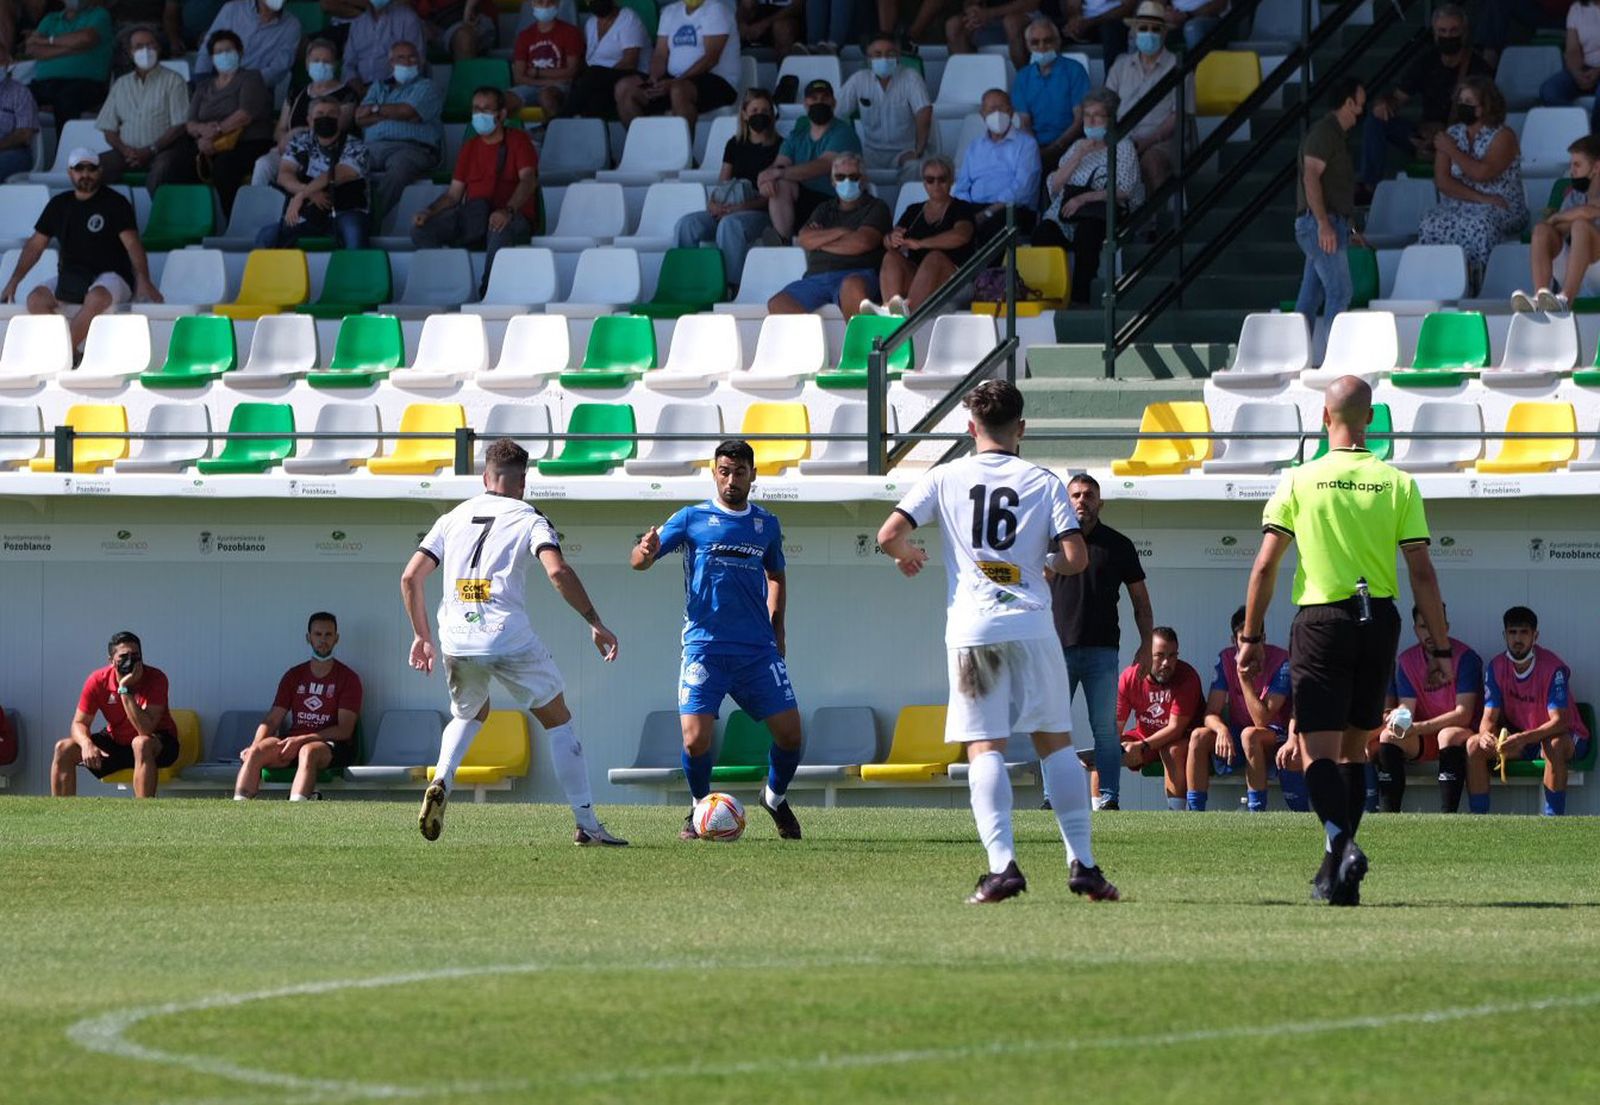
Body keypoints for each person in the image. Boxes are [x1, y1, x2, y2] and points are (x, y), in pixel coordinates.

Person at [876, 379, 1118, 905]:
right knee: (1055, 740)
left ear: (970, 428)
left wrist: (908, 555)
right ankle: (1084, 866)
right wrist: (1045, 565)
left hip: (973, 629)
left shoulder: (945, 476)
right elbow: (1076, 559)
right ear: (1021, 429)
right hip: (1032, 624)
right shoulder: (1045, 481)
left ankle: (1002, 867)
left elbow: (888, 534)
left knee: (985, 746)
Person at [1241, 375, 1451, 906]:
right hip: (1379, 620)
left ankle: (1343, 843)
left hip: (1322, 620)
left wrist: (1251, 634)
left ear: (1323, 418)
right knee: (1357, 750)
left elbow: (1265, 566)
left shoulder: (1298, 480)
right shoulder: (1397, 483)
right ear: (1372, 419)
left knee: (1317, 755)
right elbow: (1423, 574)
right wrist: (1441, 649)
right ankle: (1335, 875)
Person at [401, 438, 627, 847]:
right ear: (522, 482)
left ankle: (443, 780)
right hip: (507, 636)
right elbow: (557, 573)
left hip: (456, 635)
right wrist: (595, 622)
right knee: (558, 720)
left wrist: (422, 636)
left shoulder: (453, 516)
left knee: (470, 713)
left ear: (485, 477)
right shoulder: (530, 516)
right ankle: (587, 824)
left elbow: (410, 577)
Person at [629, 439, 806, 842]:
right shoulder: (692, 518)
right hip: (705, 647)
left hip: (757, 651)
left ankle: (775, 799)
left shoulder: (766, 524)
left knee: (792, 736)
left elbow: (776, 575)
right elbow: (639, 562)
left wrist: (778, 628)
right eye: (724, 472)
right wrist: (644, 549)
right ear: (714, 472)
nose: (730, 480)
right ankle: (698, 810)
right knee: (695, 741)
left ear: (753, 475)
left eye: (739, 472)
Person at [1042, 472, 1153, 813]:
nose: (1081, 501)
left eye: (1088, 495)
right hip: (1056, 651)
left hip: (1103, 652)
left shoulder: (1118, 545)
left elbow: (1141, 602)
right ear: (1065, 500)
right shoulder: (1048, 542)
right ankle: (1052, 797)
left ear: (1100, 503)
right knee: (1053, 728)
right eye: (1075, 495)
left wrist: (1147, 644)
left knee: (1105, 730)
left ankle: (1108, 798)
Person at [0, 148, 161, 355]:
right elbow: (35, 245)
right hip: (72, 277)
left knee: (96, 297)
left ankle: (58, 357)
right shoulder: (59, 205)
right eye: (79, 169)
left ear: (100, 171)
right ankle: (72, 354)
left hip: (112, 276)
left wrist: (143, 280)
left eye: (91, 168)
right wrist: (14, 281)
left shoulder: (115, 202)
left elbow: (133, 245)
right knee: (35, 300)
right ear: (70, 172)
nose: (85, 174)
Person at [1459, 606, 1589, 817]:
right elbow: (1489, 717)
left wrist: (1522, 738)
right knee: (1473, 745)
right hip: (1524, 739)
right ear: (1505, 635)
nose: (1517, 639)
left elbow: (1561, 722)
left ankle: (1553, 823)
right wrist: (1484, 736)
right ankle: (1478, 820)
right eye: (1512, 633)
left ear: (1535, 636)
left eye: (1524, 633)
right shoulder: (1496, 666)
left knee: (1553, 745)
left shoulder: (1553, 668)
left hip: (1566, 737)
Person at [412, 87, 537, 295]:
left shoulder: (518, 140)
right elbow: (453, 195)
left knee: (499, 226)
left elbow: (528, 180)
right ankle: (445, 285)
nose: (479, 114)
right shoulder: (469, 147)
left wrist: (508, 211)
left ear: (502, 115)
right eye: (476, 109)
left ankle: (489, 291)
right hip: (475, 217)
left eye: (486, 109)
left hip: (512, 217)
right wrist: (429, 211)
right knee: (421, 229)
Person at [1359, 4, 1491, 198]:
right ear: (1435, 34)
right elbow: (1397, 98)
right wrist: (1384, 104)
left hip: (1462, 140)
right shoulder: (1426, 61)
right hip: (1424, 135)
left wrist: (1445, 138)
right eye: (1442, 31)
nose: (1448, 36)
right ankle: (1369, 189)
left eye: (1454, 30)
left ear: (1464, 33)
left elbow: (1484, 119)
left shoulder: (1479, 68)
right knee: (1376, 120)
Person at [233, 612, 363, 802]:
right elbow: (272, 720)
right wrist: (254, 746)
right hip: (291, 743)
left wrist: (301, 740)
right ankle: (239, 809)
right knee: (255, 753)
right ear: (308, 638)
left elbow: (344, 730)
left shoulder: (348, 678)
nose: (322, 640)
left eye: (328, 635)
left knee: (308, 751)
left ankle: (297, 809)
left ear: (336, 638)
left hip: (328, 746)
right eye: (318, 634)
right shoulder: (294, 676)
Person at [1035, 86, 1142, 306]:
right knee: (1042, 234)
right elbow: (1054, 186)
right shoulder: (1077, 146)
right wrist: (1079, 155)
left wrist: (1083, 199)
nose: (1091, 122)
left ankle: (1080, 299)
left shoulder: (1123, 147)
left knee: (1088, 233)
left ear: (1110, 119)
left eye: (1097, 116)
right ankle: (1048, 296)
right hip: (1064, 212)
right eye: (1087, 116)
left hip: (1099, 211)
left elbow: (1124, 189)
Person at [1187, 607, 1301, 813]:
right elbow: (1211, 712)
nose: (1250, 647)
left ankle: (1255, 811)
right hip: (1238, 734)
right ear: (1234, 640)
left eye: (1255, 640)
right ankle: (1194, 813)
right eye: (1244, 640)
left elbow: (1262, 720)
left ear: (1263, 638)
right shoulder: (1225, 659)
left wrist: (1243, 678)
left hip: (1276, 736)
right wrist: (1221, 730)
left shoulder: (1282, 662)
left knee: (1251, 734)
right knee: (1198, 736)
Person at [1417, 76, 1525, 278]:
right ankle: (1439, 280)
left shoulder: (1503, 136)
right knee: (1429, 221)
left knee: (1479, 223)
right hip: (1464, 205)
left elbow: (1482, 173)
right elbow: (1443, 181)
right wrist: (1481, 198)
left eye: (1469, 103)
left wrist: (1452, 150)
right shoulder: (1453, 133)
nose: (1462, 106)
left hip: (1503, 206)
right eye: (1460, 102)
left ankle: (1480, 282)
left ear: (1485, 106)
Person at [1377, 603, 1481, 813]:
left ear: (1446, 627)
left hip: (1461, 735)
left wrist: (1418, 727)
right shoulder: (1407, 660)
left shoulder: (1465, 657)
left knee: (1448, 735)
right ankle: (1388, 817)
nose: (1430, 632)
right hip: (1425, 736)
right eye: (1424, 626)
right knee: (1388, 736)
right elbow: (1407, 709)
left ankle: (1447, 816)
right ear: (1415, 629)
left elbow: (1464, 715)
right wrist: (1399, 717)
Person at [51, 631, 180, 799]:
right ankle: (61, 815)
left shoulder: (156, 678)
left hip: (157, 744)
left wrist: (124, 689)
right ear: (111, 661)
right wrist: (86, 744)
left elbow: (145, 729)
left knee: (141, 743)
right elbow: (79, 723)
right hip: (118, 742)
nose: (130, 661)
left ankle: (145, 813)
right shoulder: (98, 680)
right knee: (63, 748)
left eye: (136, 655)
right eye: (124, 656)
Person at [674, 87, 779, 288]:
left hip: (759, 211)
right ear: (745, 114)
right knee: (687, 224)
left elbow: (772, 196)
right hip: (728, 206)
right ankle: (682, 280)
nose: (760, 115)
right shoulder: (734, 144)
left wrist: (739, 209)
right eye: (755, 111)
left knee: (730, 225)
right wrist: (713, 204)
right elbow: (723, 183)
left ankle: (729, 286)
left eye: (765, 111)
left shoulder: (780, 146)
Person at [767, 152, 890, 318]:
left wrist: (820, 241)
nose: (846, 181)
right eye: (840, 177)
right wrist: (842, 231)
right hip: (816, 278)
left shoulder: (876, 207)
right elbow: (804, 239)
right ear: (833, 181)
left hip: (857, 273)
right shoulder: (824, 209)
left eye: (853, 176)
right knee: (778, 303)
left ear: (863, 179)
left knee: (851, 287)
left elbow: (862, 242)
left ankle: (859, 343)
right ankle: (815, 342)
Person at [165, 29, 275, 215]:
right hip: (207, 143)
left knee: (225, 167)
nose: (224, 56)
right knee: (177, 165)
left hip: (247, 143)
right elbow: (190, 122)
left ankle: (233, 221)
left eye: (229, 50)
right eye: (218, 52)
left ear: (240, 52)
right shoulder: (204, 86)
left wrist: (215, 131)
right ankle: (190, 220)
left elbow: (245, 115)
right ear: (212, 57)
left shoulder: (251, 78)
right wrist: (202, 135)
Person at [1294, 76, 1362, 351]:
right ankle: (1335, 358)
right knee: (1340, 291)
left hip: (1326, 223)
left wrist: (1349, 229)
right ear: (1348, 103)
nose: (1362, 110)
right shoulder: (1326, 133)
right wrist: (1323, 223)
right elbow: (1311, 176)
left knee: (1310, 299)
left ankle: (1294, 353)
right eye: (1360, 103)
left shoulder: (1332, 134)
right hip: (1320, 223)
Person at [256, 96, 371, 248]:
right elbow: (284, 175)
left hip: (347, 211)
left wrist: (301, 195)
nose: (325, 117)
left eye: (331, 114)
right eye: (320, 114)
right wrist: (309, 192)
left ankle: (356, 272)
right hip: (309, 211)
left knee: (354, 232)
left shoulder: (356, 145)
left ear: (340, 119)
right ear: (309, 120)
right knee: (267, 236)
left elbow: (337, 174)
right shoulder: (300, 142)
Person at [757, 78, 861, 242]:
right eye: (814, 98)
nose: (819, 102)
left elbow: (825, 165)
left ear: (833, 102)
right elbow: (780, 163)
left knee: (781, 178)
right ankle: (783, 242)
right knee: (780, 184)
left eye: (824, 98)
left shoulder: (843, 132)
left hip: (836, 202)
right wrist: (766, 179)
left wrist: (777, 173)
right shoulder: (797, 136)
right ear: (805, 104)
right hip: (801, 203)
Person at [869, 154, 973, 316]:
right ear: (924, 182)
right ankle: (890, 312)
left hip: (956, 280)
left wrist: (922, 243)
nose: (936, 184)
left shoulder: (961, 208)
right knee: (891, 257)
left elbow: (961, 235)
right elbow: (889, 241)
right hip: (919, 277)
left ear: (951, 180)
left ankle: (908, 315)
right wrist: (891, 239)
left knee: (934, 258)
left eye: (942, 179)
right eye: (930, 180)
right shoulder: (913, 211)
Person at [615, 0, 741, 133]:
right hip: (675, 80)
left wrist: (676, 82)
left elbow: (711, 59)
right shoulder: (670, 12)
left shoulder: (716, 10)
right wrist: (654, 79)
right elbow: (660, 55)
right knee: (625, 88)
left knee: (678, 90)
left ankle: (684, 152)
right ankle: (647, 147)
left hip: (718, 81)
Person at [251, 37, 360, 188]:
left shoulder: (347, 95)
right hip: (289, 150)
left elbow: (337, 127)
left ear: (335, 65)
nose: (321, 65)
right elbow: (279, 130)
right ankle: (258, 208)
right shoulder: (296, 93)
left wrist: (297, 133)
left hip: (324, 153)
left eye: (326, 61)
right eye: (316, 60)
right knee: (263, 164)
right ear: (307, 64)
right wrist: (286, 139)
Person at [1114, 627, 1202, 811]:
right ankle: (1102, 813)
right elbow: (1117, 726)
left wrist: (1142, 746)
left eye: (1172, 656)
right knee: (1103, 753)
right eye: (1159, 655)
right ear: (1146, 654)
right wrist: (1106, 749)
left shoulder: (1187, 676)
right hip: (1144, 738)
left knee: (1171, 750)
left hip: (1180, 739)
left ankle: (1176, 814)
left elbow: (1175, 729)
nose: (1166, 662)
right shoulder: (1130, 677)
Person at [1104, 1, 1187, 194]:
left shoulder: (1179, 66)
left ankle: (1156, 223)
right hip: (1123, 140)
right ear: (1134, 32)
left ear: (1165, 33)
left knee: (1152, 161)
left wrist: (1147, 142)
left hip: (1164, 141)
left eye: (1155, 29)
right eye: (1143, 28)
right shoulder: (1120, 65)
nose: (1149, 33)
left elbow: (1178, 116)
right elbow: (1106, 107)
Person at [355, 39, 443, 220]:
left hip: (411, 148)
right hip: (373, 147)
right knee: (347, 165)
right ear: (391, 63)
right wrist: (397, 113)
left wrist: (376, 109)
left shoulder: (427, 86)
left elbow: (407, 111)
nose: (408, 62)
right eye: (401, 58)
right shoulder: (378, 87)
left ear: (419, 61)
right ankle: (345, 217)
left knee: (399, 170)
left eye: (412, 57)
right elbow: (359, 118)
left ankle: (372, 221)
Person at [95, 27, 189, 190]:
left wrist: (151, 150)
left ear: (158, 49)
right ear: (130, 52)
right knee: (93, 167)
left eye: (150, 45)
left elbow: (179, 125)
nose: (145, 51)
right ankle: (111, 212)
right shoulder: (121, 84)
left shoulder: (174, 80)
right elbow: (108, 128)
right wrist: (125, 150)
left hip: (163, 151)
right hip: (125, 153)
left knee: (163, 168)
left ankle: (158, 213)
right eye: (139, 46)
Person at [1516, 136, 1600, 312]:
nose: (1572, 171)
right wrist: (1562, 220)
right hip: (1576, 266)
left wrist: (1559, 217)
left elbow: (1589, 212)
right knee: (1541, 231)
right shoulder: (1575, 196)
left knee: (1580, 226)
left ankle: (1565, 300)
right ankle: (1540, 298)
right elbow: (1558, 229)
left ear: (1596, 167)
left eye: (1577, 165)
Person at [837, 34, 932, 178]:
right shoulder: (859, 79)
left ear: (898, 56)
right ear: (868, 58)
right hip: (870, 152)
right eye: (877, 54)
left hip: (904, 151)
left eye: (890, 54)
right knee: (847, 171)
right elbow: (837, 111)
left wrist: (918, 150)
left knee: (914, 166)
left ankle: (906, 201)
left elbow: (924, 111)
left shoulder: (911, 77)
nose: (884, 58)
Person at [953, 86, 1041, 243]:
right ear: (982, 114)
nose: (997, 114)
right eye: (991, 110)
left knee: (990, 229)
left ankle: (989, 268)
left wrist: (987, 213)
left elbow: (1022, 189)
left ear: (1012, 112)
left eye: (1002, 109)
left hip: (1011, 210)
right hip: (975, 207)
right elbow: (962, 186)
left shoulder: (1027, 144)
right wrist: (965, 211)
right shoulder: (975, 146)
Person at [1011, 18, 1088, 170]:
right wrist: (1036, 152)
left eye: (1048, 41)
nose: (1042, 47)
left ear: (1058, 42)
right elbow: (1025, 124)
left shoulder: (1074, 70)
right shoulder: (1022, 77)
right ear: (1027, 46)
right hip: (1036, 147)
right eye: (1035, 42)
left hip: (1070, 145)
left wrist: (1054, 148)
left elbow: (1080, 120)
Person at [22, 0, 115, 123]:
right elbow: (32, 49)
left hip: (87, 83)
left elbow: (86, 38)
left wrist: (47, 41)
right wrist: (74, 48)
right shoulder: (50, 19)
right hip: (46, 83)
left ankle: (64, 142)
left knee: (67, 99)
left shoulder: (99, 14)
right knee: (18, 95)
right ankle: (16, 141)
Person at [564, 0, 649, 119]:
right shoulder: (591, 23)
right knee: (592, 94)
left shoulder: (628, 18)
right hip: (596, 80)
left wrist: (599, 77)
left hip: (630, 75)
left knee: (593, 75)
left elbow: (630, 61)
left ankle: (561, 118)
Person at [192, 0, 302, 92]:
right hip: (217, 79)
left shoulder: (292, 26)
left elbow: (278, 69)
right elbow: (208, 47)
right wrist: (202, 80)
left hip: (256, 88)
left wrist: (244, 82)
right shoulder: (232, 10)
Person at [509, 3, 583, 117]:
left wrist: (536, 72)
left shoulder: (570, 32)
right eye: (540, 1)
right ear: (533, 4)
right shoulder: (525, 35)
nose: (544, 5)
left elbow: (572, 71)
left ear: (557, 4)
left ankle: (554, 131)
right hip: (534, 85)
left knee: (546, 97)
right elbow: (519, 77)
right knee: (504, 101)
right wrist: (548, 81)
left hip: (560, 87)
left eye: (549, 1)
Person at [1538, 0, 1600, 135]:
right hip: (1584, 68)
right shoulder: (1576, 9)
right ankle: (1579, 126)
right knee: (1549, 90)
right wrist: (1576, 72)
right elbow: (1572, 50)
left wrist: (1598, 71)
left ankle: (1594, 141)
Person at [342, 0, 427, 92]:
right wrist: (355, 83)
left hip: (394, 90)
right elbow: (348, 63)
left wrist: (381, 90)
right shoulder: (358, 20)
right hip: (358, 90)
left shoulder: (408, 18)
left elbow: (417, 62)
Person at [0, 40, 39, 182]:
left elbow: (24, 133)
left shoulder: (20, 93)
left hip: (12, 151)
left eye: (1, 61)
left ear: (8, 62)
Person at [415, 0, 498, 63]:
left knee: (464, 38)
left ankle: (467, 83)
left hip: (469, 18)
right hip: (432, 26)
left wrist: (468, 9)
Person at [1063, 0, 1131, 62]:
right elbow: (1072, 5)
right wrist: (1076, 19)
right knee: (1055, 31)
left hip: (1114, 21)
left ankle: (1114, 74)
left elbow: (1128, 8)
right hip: (1084, 22)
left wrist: (1090, 22)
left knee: (1112, 30)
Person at [736, 0, 803, 59]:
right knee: (746, 4)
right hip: (761, 12)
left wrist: (763, 24)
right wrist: (741, 22)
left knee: (781, 29)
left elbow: (798, 6)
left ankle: (786, 71)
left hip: (788, 15)